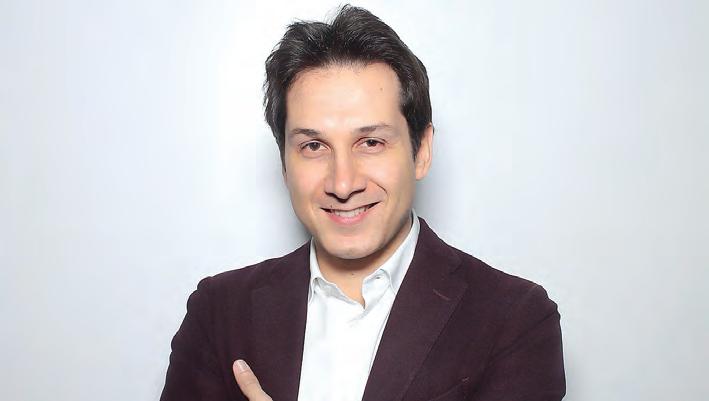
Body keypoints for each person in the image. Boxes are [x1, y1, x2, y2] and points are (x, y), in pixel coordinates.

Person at [160, 5, 565, 401]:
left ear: (421, 151)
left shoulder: (514, 321)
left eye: (370, 142)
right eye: (313, 146)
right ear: (283, 162)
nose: (343, 183)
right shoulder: (218, 313)